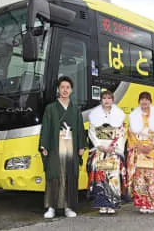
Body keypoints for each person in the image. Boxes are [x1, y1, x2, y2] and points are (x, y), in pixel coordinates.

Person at [39, 76, 86, 219]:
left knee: (70, 175)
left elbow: (79, 128)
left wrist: (82, 145)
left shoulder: (75, 109)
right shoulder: (51, 108)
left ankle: (68, 207)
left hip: (71, 142)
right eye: (62, 87)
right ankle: (51, 207)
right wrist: (44, 145)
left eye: (67, 88)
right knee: (54, 175)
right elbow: (46, 127)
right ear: (58, 89)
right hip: (55, 143)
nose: (65, 90)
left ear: (71, 90)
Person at [87, 90, 126, 214]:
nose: (107, 100)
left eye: (109, 98)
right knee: (101, 176)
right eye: (104, 98)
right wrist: (100, 146)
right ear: (101, 100)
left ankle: (112, 204)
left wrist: (113, 147)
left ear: (113, 100)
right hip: (100, 150)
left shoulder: (119, 115)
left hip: (113, 150)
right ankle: (102, 204)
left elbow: (121, 134)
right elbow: (92, 132)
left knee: (113, 176)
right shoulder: (95, 115)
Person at [127, 91, 154, 214]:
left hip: (152, 152)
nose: (144, 101)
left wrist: (151, 146)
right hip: (138, 152)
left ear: (150, 102)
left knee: (152, 179)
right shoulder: (134, 117)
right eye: (142, 99)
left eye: (146, 99)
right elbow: (131, 134)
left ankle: (152, 203)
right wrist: (138, 145)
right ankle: (142, 203)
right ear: (139, 102)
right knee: (140, 180)